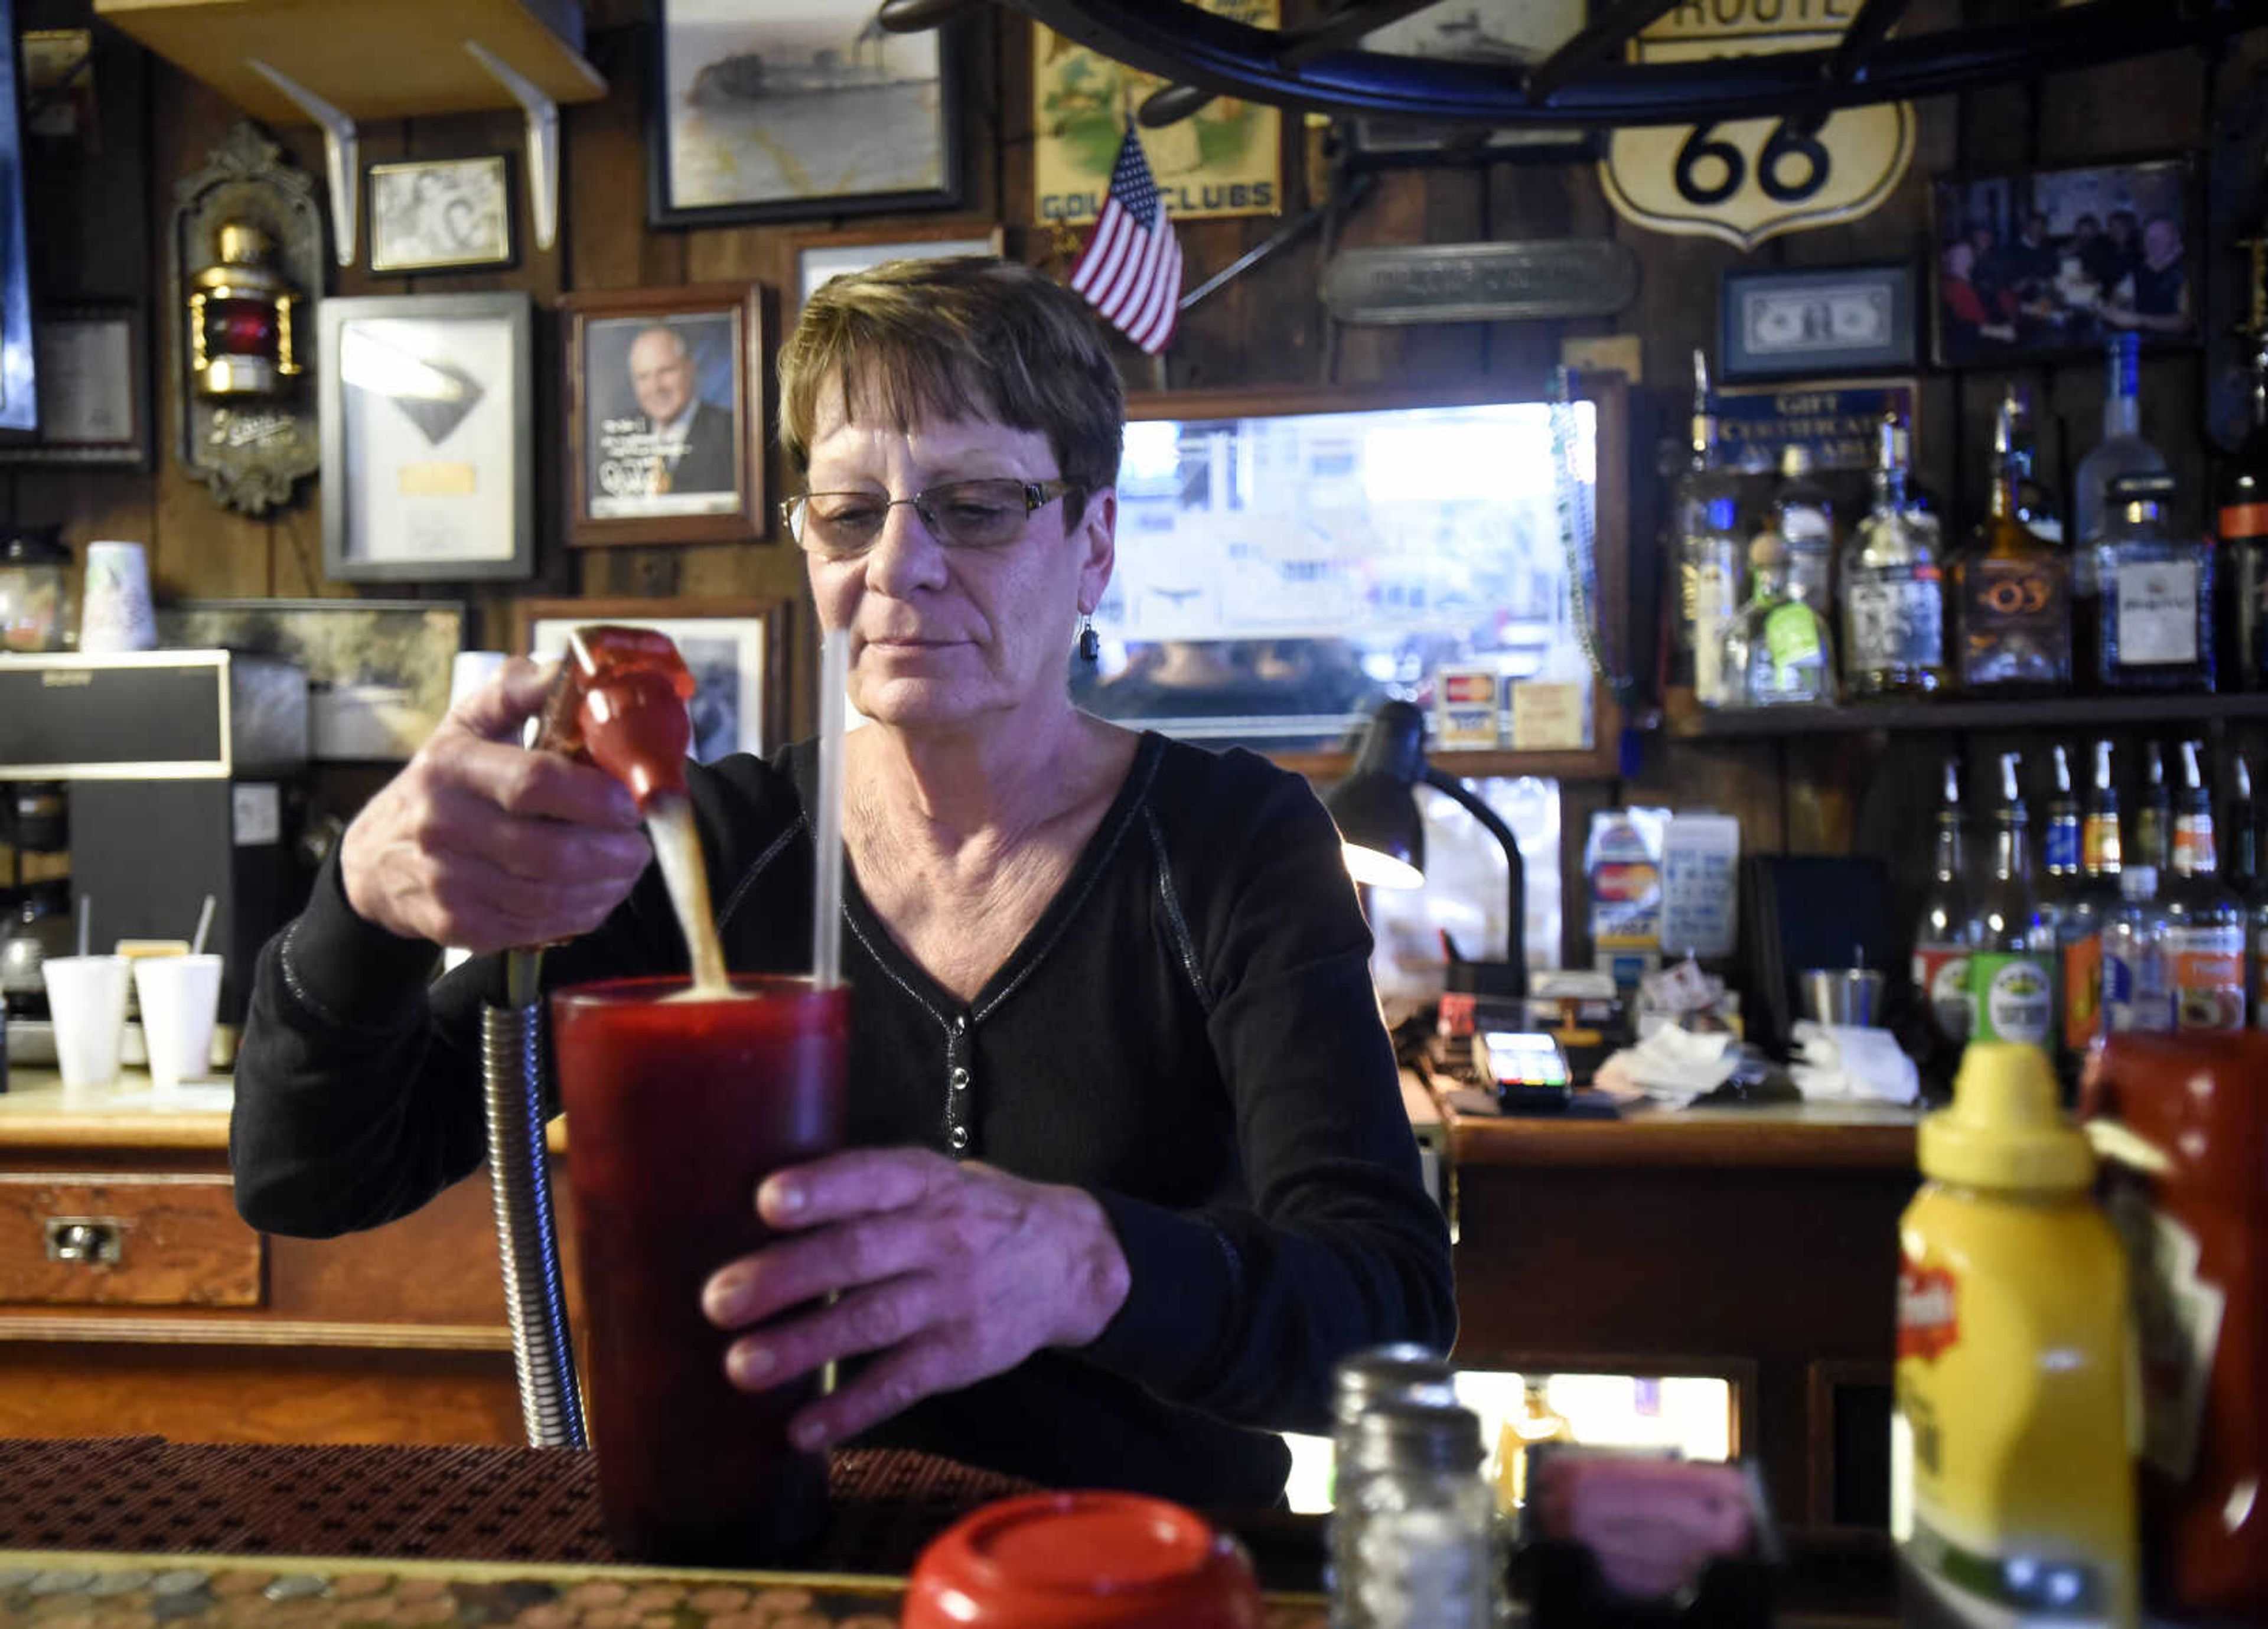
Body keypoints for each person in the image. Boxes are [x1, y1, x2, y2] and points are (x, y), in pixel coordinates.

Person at [229, 256, 1454, 1509]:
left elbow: (1386, 1312)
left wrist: (1089, 1263)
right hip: (775, 1563)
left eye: (976, 504)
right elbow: (313, 1179)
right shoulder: (701, 849)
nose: (898, 566)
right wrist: (366, 910)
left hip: (1131, 1566)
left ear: (1094, 544)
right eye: (849, 511)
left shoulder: (1232, 843)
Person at [623, 323, 737, 496]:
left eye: (666, 371)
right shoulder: (621, 437)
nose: (656, 387)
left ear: (690, 369)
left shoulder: (731, 433)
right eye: (643, 376)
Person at [2102, 214, 2189, 335]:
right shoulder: (2142, 269)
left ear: (2175, 238)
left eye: (2161, 237)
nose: (2153, 242)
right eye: (2149, 237)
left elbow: (2185, 322)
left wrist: (2139, 320)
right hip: (2144, 343)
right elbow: (2117, 298)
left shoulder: (2188, 270)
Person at [1940, 240, 2016, 354]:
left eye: (1967, 256)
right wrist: (1994, 331)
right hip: (1973, 346)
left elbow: (2000, 298)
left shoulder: (1976, 281)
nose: (1963, 260)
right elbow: (1955, 329)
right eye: (1958, 256)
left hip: (1994, 335)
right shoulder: (1949, 287)